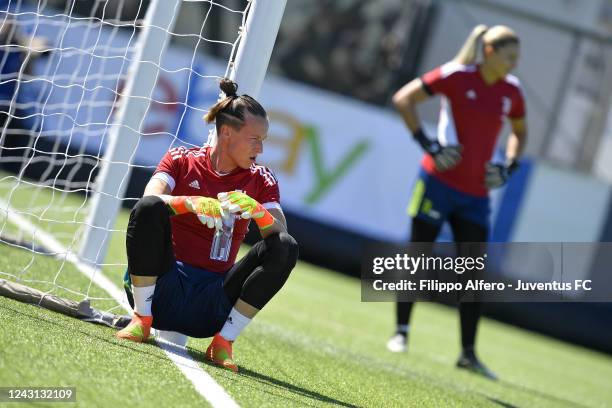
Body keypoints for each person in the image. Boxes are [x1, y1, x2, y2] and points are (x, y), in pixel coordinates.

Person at [115, 78, 299, 373]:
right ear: (227, 133)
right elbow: (149, 200)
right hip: (163, 289)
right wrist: (187, 203)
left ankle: (223, 343)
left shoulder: (261, 178)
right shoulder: (181, 160)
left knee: (285, 246)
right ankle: (141, 319)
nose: (261, 149)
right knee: (150, 208)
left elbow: (280, 232)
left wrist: (257, 211)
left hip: (212, 305)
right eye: (255, 139)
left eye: (263, 140)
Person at [387, 25, 527, 380]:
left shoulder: (512, 91)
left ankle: (468, 353)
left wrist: (510, 166)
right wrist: (428, 144)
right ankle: (401, 333)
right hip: (436, 184)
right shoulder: (455, 76)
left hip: (476, 196)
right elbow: (404, 99)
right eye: (510, 56)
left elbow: (520, 134)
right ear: (490, 51)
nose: (515, 64)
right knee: (418, 254)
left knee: (473, 274)